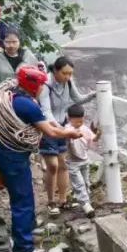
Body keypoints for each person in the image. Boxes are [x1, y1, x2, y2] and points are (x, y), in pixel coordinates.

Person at [0, 65, 82, 252]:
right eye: (41, 85)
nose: (42, 89)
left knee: (24, 191)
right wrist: (70, 132)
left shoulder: (8, 95)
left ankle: (28, 227)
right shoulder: (27, 105)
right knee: (22, 199)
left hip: (0, 151)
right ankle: (23, 247)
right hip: (12, 156)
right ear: (33, 86)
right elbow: (51, 132)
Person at [38, 56, 95, 215]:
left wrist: (95, 94)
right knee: (53, 165)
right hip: (48, 127)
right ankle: (51, 201)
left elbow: (78, 99)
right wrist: (60, 129)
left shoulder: (68, 82)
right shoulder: (45, 85)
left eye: (70, 74)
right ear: (55, 70)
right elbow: (46, 111)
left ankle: (62, 199)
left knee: (63, 164)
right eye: (65, 73)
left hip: (63, 126)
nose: (68, 77)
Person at [0, 28, 37, 106]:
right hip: (3, 101)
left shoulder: (29, 56)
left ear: (20, 42)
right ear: (3, 42)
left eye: (14, 42)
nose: (11, 45)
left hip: (25, 100)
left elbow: (36, 81)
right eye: (7, 42)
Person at [65, 103, 98, 217]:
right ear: (69, 119)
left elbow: (93, 139)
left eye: (81, 121)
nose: (79, 124)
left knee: (85, 182)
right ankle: (86, 205)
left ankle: (82, 197)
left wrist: (98, 134)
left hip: (84, 160)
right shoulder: (67, 129)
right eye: (77, 122)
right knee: (79, 184)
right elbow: (65, 138)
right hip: (73, 162)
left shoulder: (85, 129)